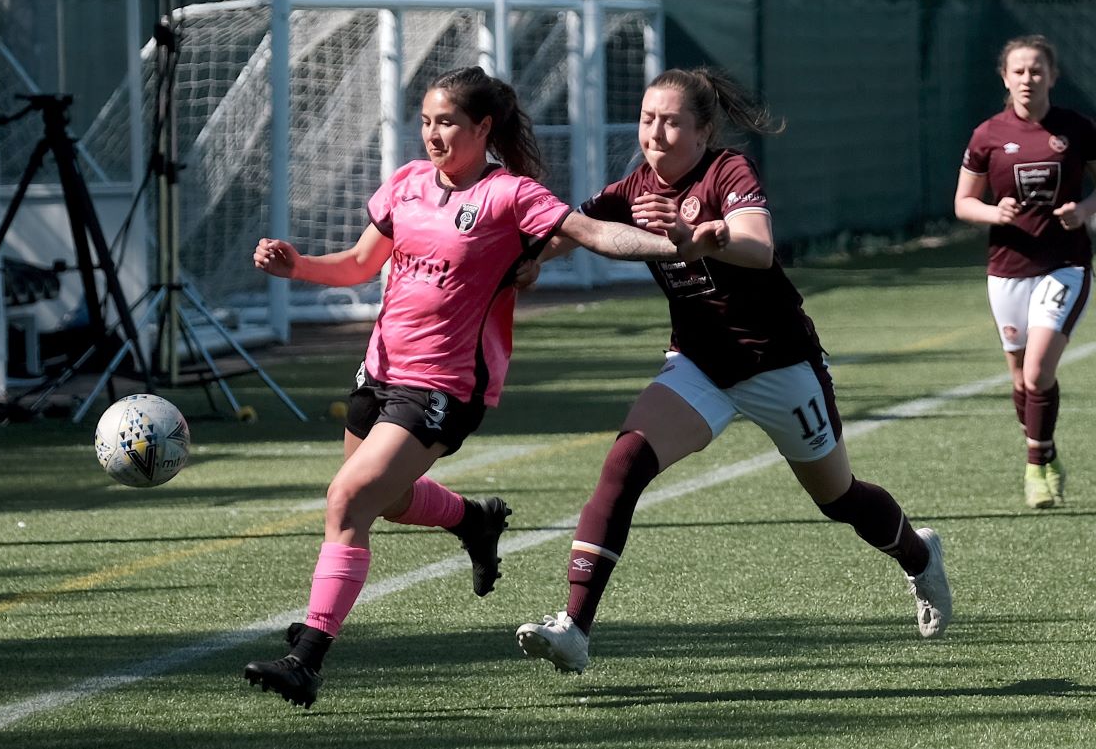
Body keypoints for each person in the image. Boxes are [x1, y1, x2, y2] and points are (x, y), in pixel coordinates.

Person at [243, 66, 715, 709]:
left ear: (482, 128)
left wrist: (672, 245)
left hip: (444, 385)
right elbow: (358, 265)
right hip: (379, 372)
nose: (433, 135)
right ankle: (474, 520)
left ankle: (307, 657)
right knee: (381, 500)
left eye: (448, 124)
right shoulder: (407, 185)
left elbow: (593, 232)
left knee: (348, 498)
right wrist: (294, 264)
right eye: (427, 121)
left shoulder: (509, 196)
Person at [515, 66, 954, 675]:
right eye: (647, 119)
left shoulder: (727, 172)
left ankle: (917, 554)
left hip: (779, 365)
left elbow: (758, 246)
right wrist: (522, 259)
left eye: (672, 122)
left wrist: (705, 239)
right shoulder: (632, 189)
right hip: (699, 367)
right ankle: (575, 629)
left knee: (839, 498)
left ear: (702, 131)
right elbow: (568, 233)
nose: (656, 133)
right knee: (624, 463)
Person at [953, 34, 1096, 509]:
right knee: (1019, 378)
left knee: (1037, 373)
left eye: (1037, 70)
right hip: (1007, 270)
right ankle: (1048, 450)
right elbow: (964, 203)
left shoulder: (1075, 128)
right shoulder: (987, 135)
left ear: (1053, 76)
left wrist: (1086, 209)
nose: (1028, 78)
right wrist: (996, 214)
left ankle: (1035, 467)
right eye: (1019, 71)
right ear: (1005, 77)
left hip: (1065, 264)